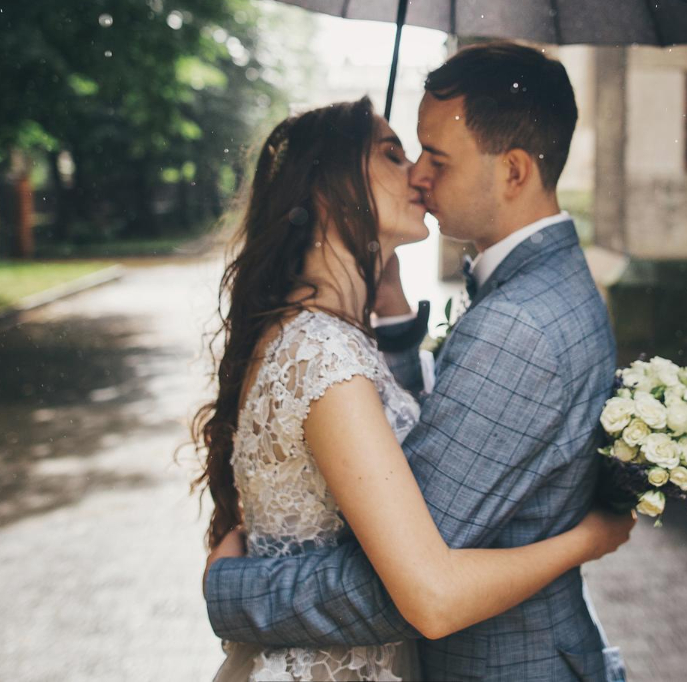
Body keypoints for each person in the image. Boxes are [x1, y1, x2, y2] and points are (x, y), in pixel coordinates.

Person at [201, 43, 630, 682]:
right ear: (328, 192)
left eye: (434, 155)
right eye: (399, 154)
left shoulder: (513, 322)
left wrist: (234, 591)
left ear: (513, 172)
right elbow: (428, 469)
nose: (419, 175)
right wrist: (395, 327)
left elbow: (421, 576)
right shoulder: (329, 347)